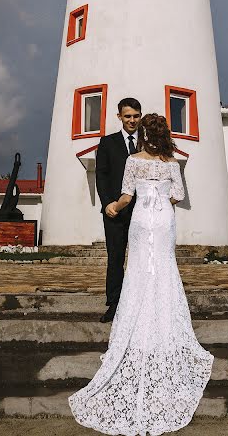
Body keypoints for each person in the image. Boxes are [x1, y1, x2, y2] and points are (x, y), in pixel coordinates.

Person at [69, 113, 214, 435]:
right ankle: (162, 315)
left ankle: (137, 314)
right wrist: (162, 192)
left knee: (138, 269)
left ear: (145, 133)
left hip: (141, 220)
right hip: (163, 221)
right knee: (163, 266)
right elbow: (178, 196)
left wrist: (113, 208)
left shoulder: (133, 160)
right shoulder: (172, 163)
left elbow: (126, 196)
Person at [96, 98, 142, 323]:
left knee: (141, 259)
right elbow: (101, 176)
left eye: (135, 116)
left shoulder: (147, 143)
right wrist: (107, 204)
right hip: (114, 213)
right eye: (127, 116)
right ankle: (114, 304)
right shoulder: (107, 143)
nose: (132, 120)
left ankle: (141, 304)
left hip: (142, 214)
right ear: (119, 117)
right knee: (115, 258)